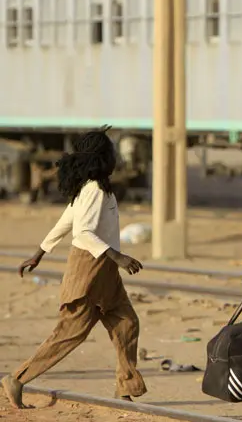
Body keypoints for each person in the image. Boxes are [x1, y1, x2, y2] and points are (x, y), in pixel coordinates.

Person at [1, 127, 147, 409]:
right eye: (111, 152)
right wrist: (119, 257)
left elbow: (67, 219)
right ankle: (17, 378)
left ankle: (125, 388)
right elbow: (82, 233)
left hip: (105, 273)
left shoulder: (96, 188)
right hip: (90, 269)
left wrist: (39, 252)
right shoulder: (93, 189)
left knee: (127, 324)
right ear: (100, 157)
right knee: (70, 334)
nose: (115, 157)